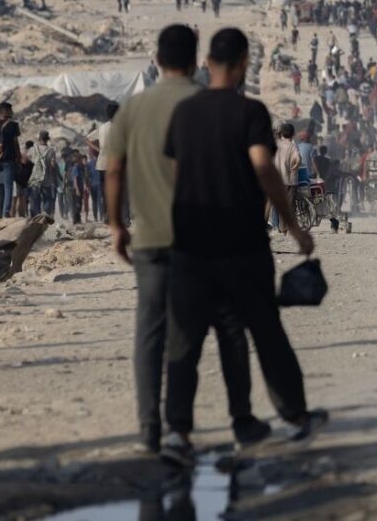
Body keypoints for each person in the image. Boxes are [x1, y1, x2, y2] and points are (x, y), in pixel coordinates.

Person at [161, 27, 324, 466]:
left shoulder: (184, 112)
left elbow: (173, 176)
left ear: (209, 64)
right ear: (242, 65)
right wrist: (293, 226)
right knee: (262, 330)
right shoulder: (249, 112)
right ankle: (290, 416)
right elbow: (263, 168)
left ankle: (179, 431)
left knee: (187, 339)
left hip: (191, 246)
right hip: (241, 243)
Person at [105, 24, 269, 454]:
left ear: (157, 59)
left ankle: (151, 427)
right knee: (225, 328)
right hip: (203, 239)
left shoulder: (132, 108)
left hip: (150, 238)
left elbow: (114, 170)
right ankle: (239, 420)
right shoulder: (205, 104)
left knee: (151, 333)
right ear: (197, 59)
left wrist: (116, 225)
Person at [27, 131, 57, 218]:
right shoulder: (51, 151)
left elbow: (27, 160)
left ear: (39, 138)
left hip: (35, 179)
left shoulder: (33, 149)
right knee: (47, 199)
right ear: (47, 139)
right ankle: (45, 217)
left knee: (34, 200)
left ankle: (34, 218)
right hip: (46, 179)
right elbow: (53, 166)